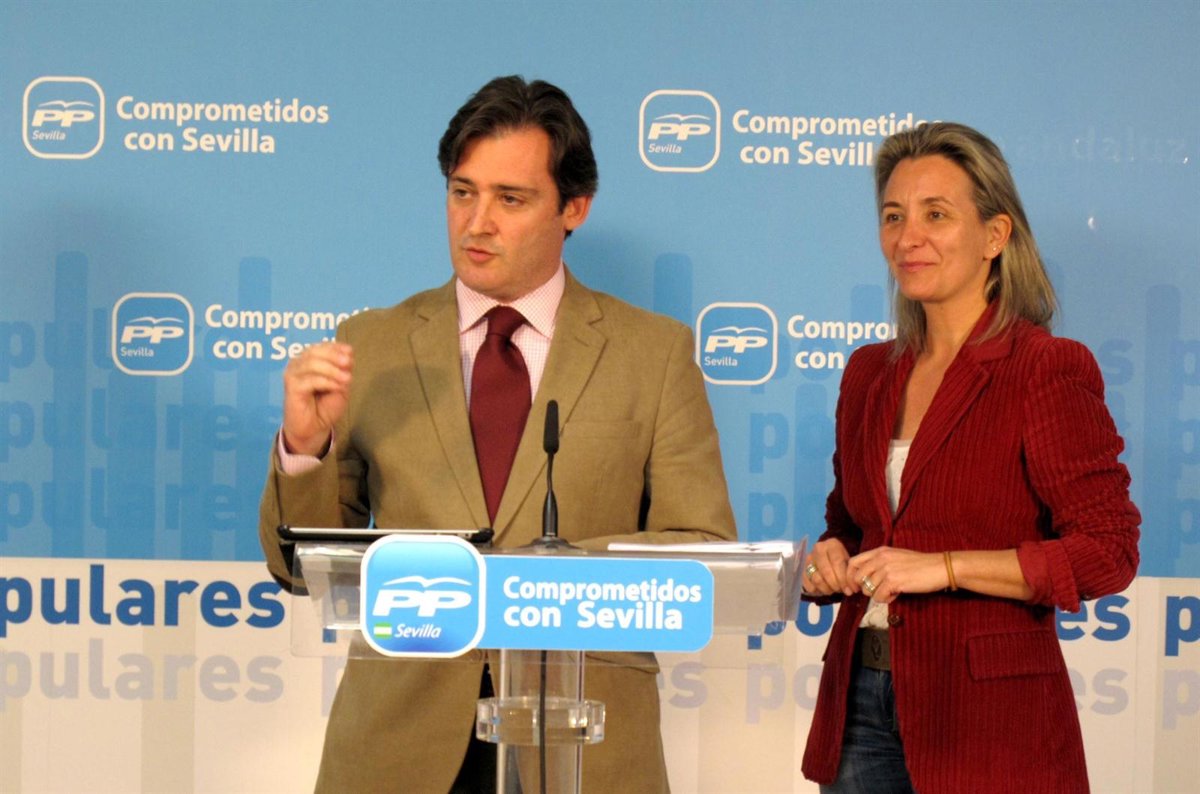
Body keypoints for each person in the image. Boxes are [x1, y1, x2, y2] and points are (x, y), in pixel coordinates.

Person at [258, 75, 736, 793]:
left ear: (574, 208)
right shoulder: (372, 345)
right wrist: (305, 450)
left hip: (584, 740)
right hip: (399, 744)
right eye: (462, 192)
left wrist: (534, 576)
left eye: (510, 199)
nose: (476, 222)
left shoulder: (653, 353)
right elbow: (300, 568)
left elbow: (700, 548)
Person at [800, 122, 1140, 793]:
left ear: (994, 235)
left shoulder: (1044, 368)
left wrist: (945, 568)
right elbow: (852, 525)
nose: (908, 238)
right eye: (893, 216)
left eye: (936, 215)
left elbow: (1108, 551)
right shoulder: (868, 373)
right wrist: (830, 558)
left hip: (990, 721)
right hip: (860, 701)